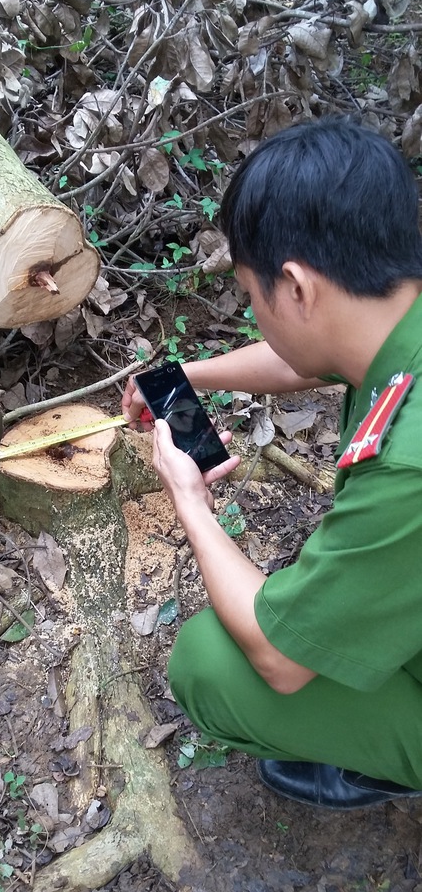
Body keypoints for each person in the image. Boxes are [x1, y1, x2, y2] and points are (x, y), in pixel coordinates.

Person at [121, 116, 422, 810]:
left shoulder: (407, 466)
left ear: (296, 287)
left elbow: (281, 661)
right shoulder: (393, 319)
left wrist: (189, 501)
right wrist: (190, 375)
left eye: (253, 298)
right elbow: (311, 359)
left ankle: (392, 763)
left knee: (210, 662)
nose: (256, 315)